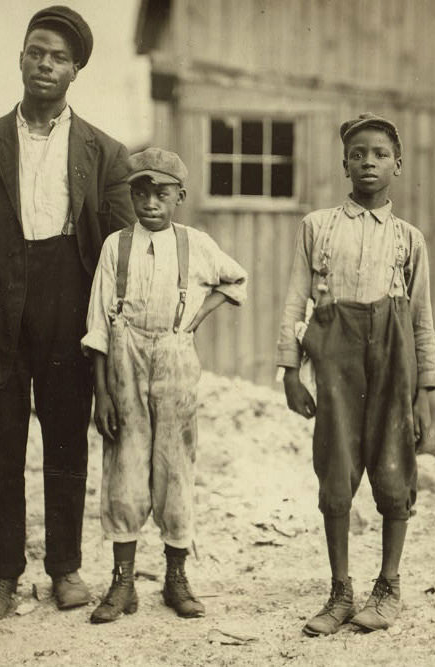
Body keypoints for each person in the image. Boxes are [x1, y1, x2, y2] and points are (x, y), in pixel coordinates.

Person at [0, 5, 135, 621]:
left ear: (75, 71)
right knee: (0, 444)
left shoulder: (105, 151)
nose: (45, 65)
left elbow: (120, 252)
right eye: (36, 52)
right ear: (20, 58)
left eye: (59, 58)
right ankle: (1, 575)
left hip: (68, 309)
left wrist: (107, 337)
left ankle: (65, 568)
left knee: (67, 442)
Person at [276, 113, 435, 635]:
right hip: (336, 357)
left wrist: (425, 393)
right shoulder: (317, 227)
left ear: (398, 163)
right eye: (357, 154)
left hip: (393, 360)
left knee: (394, 468)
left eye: (380, 154)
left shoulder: (409, 239)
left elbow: (421, 320)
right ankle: (340, 590)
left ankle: (388, 585)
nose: (368, 162)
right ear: (344, 163)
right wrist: (289, 370)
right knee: (336, 466)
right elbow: (294, 301)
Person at [82, 147, 247, 623]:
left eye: (162, 192)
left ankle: (176, 578)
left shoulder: (196, 244)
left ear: (181, 196)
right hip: (125, 357)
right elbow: (97, 323)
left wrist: (194, 317)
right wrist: (103, 392)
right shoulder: (118, 246)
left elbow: (235, 281)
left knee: (175, 465)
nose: (150, 201)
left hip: (175, 358)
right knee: (125, 466)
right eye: (141, 191)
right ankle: (122, 582)